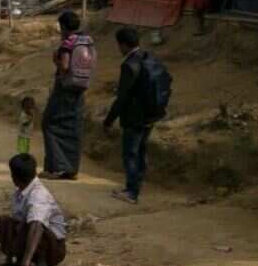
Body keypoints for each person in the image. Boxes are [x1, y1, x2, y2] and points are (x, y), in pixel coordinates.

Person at [104, 28, 167, 205]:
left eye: (118, 45)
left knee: (130, 154)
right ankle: (135, 185)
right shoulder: (148, 57)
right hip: (151, 114)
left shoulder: (129, 65)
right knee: (140, 151)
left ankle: (132, 192)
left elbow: (122, 98)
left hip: (134, 117)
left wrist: (109, 120)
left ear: (123, 44)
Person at [0, 154, 67, 266]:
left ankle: (39, 265)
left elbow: (36, 227)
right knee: (3, 222)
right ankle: (12, 263)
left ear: (15, 177)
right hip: (32, 234)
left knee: (33, 227)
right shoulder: (21, 192)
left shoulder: (38, 195)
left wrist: (24, 265)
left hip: (52, 247)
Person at [40, 10, 94, 180]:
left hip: (65, 89)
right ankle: (71, 169)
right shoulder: (87, 40)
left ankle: (55, 168)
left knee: (49, 123)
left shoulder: (68, 42)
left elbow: (64, 66)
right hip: (80, 89)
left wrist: (55, 60)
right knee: (73, 127)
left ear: (63, 26)